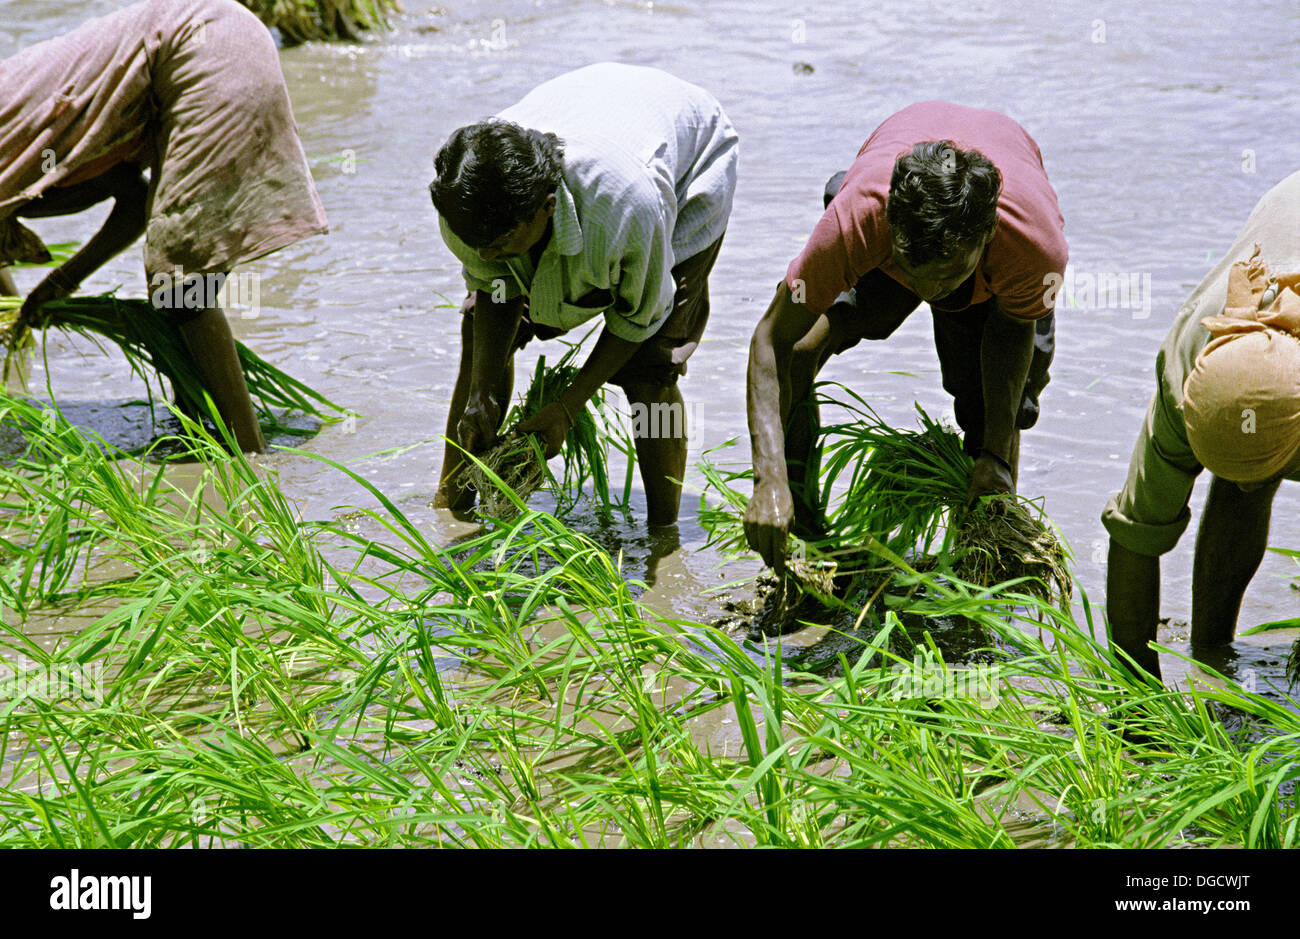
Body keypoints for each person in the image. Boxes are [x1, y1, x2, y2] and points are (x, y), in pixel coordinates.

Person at [743, 101, 1067, 573]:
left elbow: (1013, 328)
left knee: (993, 417)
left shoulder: (1033, 249)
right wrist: (768, 479)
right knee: (799, 350)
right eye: (917, 277)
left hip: (990, 275)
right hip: (892, 226)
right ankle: (802, 535)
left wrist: (997, 453)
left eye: (944, 278)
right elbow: (771, 339)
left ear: (988, 233)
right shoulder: (858, 220)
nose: (929, 294)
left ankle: (981, 570)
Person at [0, 0, 329, 452]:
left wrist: (49, 290)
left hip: (209, 50)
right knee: (174, 282)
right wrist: (52, 290)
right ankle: (196, 427)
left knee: (180, 284)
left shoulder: (11, 143)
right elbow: (134, 202)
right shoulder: (27, 155)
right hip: (214, 42)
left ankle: (250, 454)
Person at [430, 62, 738, 526]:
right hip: (595, 108)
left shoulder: (627, 206)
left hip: (689, 163)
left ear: (546, 208)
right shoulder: (467, 204)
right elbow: (495, 288)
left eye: (498, 245)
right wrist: (480, 392)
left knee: (651, 367)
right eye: (477, 245)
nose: (482, 253)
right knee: (482, 338)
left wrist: (565, 409)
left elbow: (642, 315)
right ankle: (453, 503)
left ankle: (664, 534)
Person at [1103, 170, 1300, 681]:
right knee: (1246, 485)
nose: (1238, 481)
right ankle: (1213, 654)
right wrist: (1135, 701)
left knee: (1249, 481)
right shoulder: (1185, 370)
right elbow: (1134, 534)